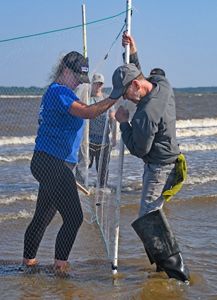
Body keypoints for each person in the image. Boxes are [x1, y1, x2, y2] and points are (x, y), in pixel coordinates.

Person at [23, 51, 119, 273]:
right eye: (76, 77)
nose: (78, 83)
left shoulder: (64, 93)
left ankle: (28, 266)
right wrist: (115, 97)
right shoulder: (59, 92)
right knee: (74, 217)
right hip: (51, 162)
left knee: (43, 217)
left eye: (81, 79)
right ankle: (60, 269)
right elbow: (87, 112)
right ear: (66, 71)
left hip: (52, 162)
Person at [112, 32, 190, 283]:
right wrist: (133, 52)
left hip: (160, 167)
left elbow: (139, 149)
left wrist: (124, 124)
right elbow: (139, 74)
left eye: (124, 93)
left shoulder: (145, 115)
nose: (125, 97)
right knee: (152, 212)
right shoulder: (161, 84)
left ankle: (178, 274)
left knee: (148, 215)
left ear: (135, 86)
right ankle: (160, 265)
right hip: (170, 160)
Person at [88, 73, 116, 187]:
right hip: (88, 140)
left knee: (102, 171)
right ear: (92, 84)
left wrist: (114, 137)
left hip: (104, 142)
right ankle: (82, 188)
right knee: (85, 166)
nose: (98, 86)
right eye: (96, 83)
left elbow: (113, 119)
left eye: (100, 84)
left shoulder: (106, 99)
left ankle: (101, 190)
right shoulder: (87, 98)